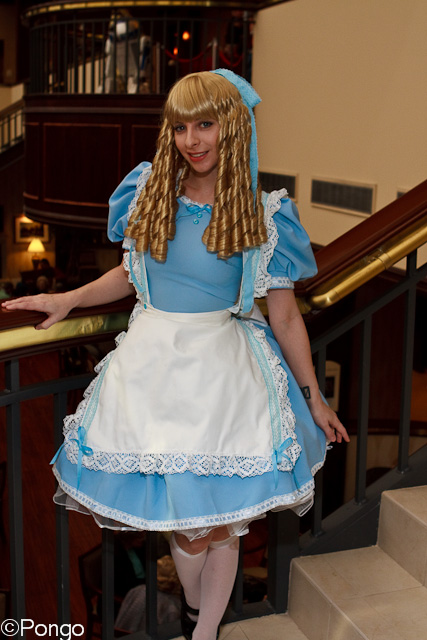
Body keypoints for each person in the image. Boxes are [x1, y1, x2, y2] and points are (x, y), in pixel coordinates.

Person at [2, 70, 349, 640]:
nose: (192, 140)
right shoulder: (148, 193)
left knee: (223, 524)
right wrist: (68, 299)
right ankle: (194, 610)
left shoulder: (263, 214)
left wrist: (313, 398)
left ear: (230, 127)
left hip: (224, 376)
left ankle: (202, 631)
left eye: (205, 124)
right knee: (188, 529)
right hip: (152, 372)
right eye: (181, 127)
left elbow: (285, 317)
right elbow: (129, 273)